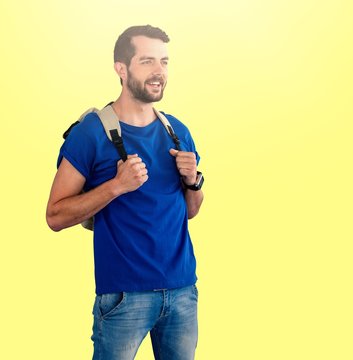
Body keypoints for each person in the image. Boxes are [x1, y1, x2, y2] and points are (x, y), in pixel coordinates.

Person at [46, 25, 204, 360]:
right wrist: (117, 186)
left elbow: (191, 210)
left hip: (182, 291)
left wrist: (193, 181)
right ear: (122, 68)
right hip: (123, 297)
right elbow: (55, 216)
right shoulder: (90, 133)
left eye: (164, 61)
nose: (158, 71)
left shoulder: (177, 132)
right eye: (147, 61)